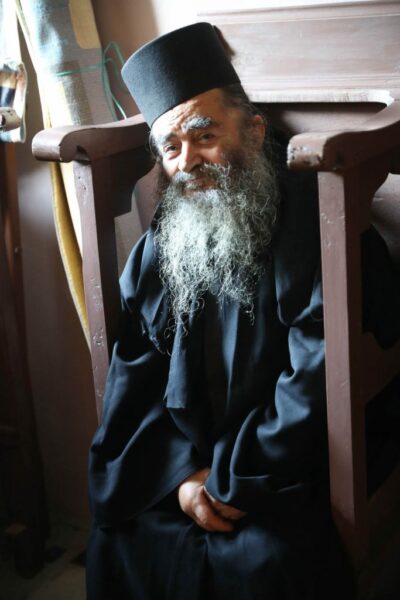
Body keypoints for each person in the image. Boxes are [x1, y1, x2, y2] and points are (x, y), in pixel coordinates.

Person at [86, 23, 400, 599]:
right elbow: (136, 372)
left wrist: (229, 478)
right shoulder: (164, 241)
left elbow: (317, 380)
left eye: (204, 136)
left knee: (266, 563)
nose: (187, 161)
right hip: (192, 458)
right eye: (171, 149)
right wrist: (180, 477)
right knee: (123, 534)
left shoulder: (316, 224)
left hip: (287, 459)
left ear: (254, 131)